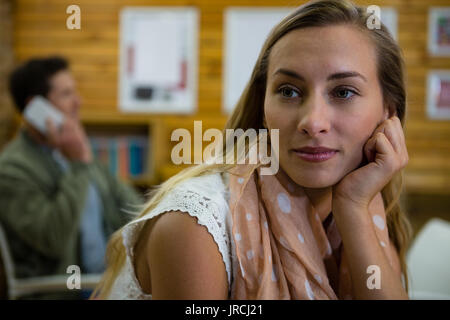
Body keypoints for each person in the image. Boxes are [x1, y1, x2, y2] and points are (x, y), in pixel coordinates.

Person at [94, 0, 412, 300]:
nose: (313, 122)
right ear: (263, 106)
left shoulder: (370, 206)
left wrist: (354, 207)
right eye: (288, 91)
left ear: (388, 110)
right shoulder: (196, 225)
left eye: (343, 91)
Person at [0, 57, 143, 297]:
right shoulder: (13, 169)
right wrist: (77, 165)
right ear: (36, 107)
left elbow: (134, 208)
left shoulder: (77, 151)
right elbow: (51, 238)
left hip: (109, 280)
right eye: (67, 94)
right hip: (65, 290)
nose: (79, 102)